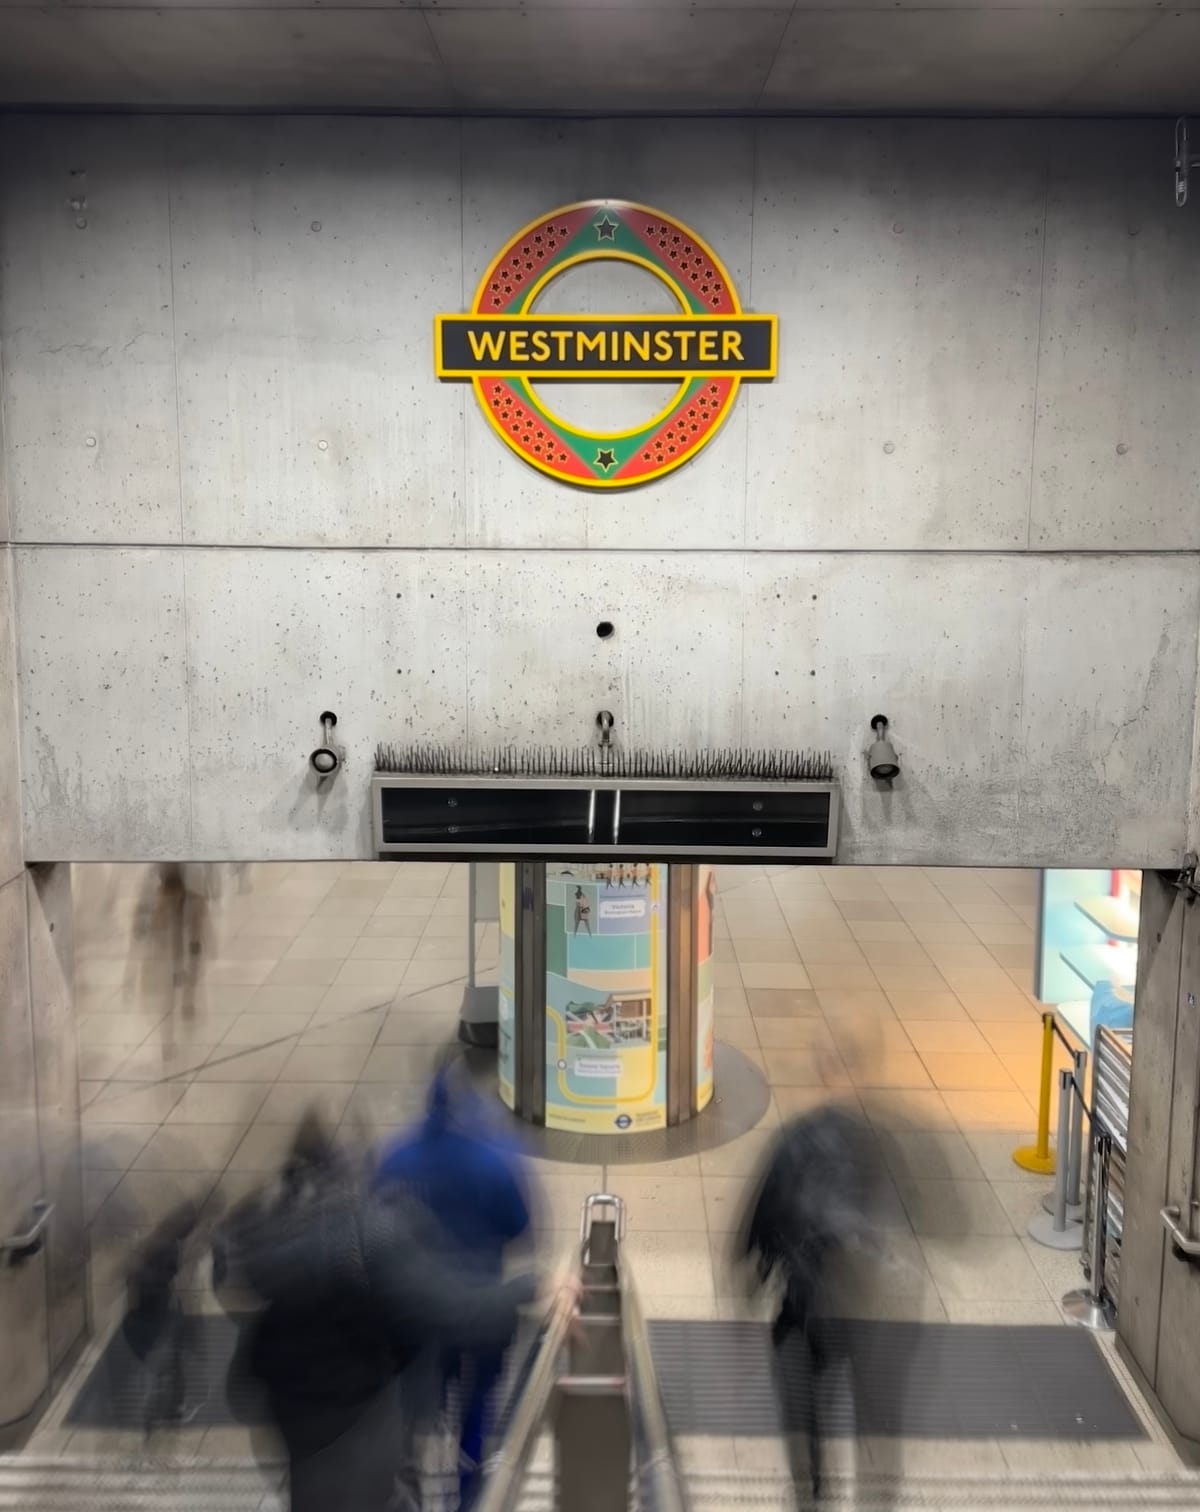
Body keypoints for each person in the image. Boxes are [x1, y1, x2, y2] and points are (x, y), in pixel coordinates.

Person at [219, 1112, 537, 1512]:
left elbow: (233, 1278)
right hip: (356, 1415)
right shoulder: (365, 1234)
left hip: (291, 1409)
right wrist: (534, 1287)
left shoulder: (273, 1226)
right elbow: (457, 1310)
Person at [374, 1061, 534, 1509]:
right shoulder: (496, 1158)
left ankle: (412, 1489)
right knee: (479, 1399)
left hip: (416, 1309)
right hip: (482, 1306)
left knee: (413, 1403)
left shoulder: (396, 1156)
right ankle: (469, 1489)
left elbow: (371, 1221)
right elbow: (520, 1226)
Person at [737, 1100, 885, 1509]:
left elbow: (762, 1213)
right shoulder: (861, 1148)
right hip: (842, 1307)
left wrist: (754, 1265)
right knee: (837, 1393)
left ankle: (811, 1486)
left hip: (799, 1305)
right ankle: (837, 1487)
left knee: (799, 1400)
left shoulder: (794, 1144)